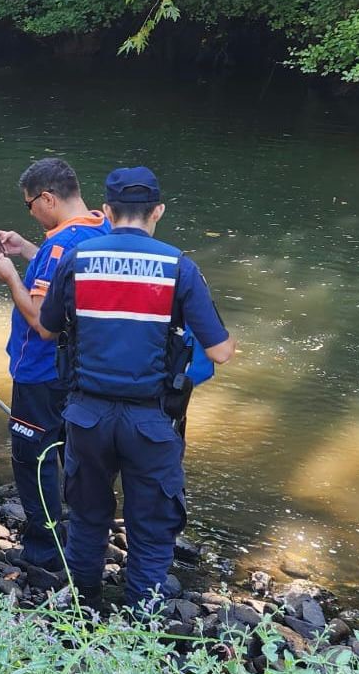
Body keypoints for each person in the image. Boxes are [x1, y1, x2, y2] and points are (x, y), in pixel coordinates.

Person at [37, 167, 235, 609]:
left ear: (106, 211)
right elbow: (220, 351)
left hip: (86, 416)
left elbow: (48, 330)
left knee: (87, 515)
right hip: (152, 420)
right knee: (151, 521)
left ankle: (83, 607)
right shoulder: (179, 266)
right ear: (158, 211)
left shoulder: (77, 259)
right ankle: (142, 618)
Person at [0, 158, 110, 571]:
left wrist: (10, 277)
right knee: (69, 453)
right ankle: (80, 539)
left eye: (29, 206)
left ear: (48, 198)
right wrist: (25, 250)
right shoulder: (100, 229)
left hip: (40, 371)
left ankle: (44, 552)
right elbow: (65, 277)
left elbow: (42, 323)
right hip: (80, 370)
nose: (31, 213)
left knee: (33, 456)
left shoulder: (60, 246)